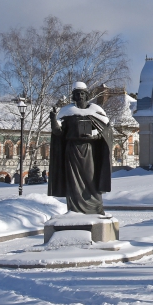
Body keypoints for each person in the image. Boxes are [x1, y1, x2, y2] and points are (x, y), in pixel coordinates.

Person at [48, 82, 113, 214]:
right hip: (72, 150)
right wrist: (53, 119)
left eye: (82, 93)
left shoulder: (96, 111)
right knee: (73, 181)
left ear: (87, 95)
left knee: (91, 178)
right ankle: (74, 209)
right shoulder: (67, 112)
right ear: (73, 96)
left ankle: (94, 208)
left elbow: (106, 132)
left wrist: (93, 136)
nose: (80, 96)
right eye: (77, 94)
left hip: (89, 150)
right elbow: (58, 133)